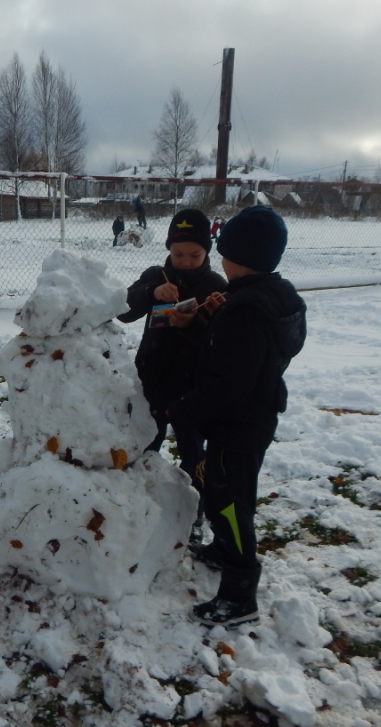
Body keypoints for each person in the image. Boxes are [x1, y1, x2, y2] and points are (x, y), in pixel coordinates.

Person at [174, 206, 306, 628]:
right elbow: (261, 352)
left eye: (223, 252)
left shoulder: (246, 310)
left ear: (236, 257)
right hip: (257, 418)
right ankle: (221, 550)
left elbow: (229, 382)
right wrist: (220, 317)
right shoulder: (276, 296)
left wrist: (184, 410)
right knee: (233, 496)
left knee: (229, 505)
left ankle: (239, 594)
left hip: (237, 425)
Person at [117, 209, 227, 538]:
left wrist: (201, 321)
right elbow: (124, 310)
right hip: (152, 380)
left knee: (195, 454)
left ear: (207, 251)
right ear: (168, 249)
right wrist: (151, 295)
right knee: (144, 444)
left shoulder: (215, 286)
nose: (186, 261)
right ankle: (135, 501)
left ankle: (192, 512)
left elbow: (221, 340)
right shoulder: (156, 275)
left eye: (195, 254)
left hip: (192, 389)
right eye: (178, 254)